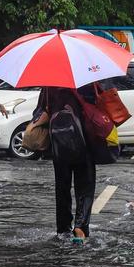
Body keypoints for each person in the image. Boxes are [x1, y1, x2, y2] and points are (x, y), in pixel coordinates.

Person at [33, 85, 97, 243]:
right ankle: (80, 226)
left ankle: (62, 228)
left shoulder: (49, 87)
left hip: (59, 144)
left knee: (62, 187)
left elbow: (40, 112)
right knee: (85, 186)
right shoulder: (86, 82)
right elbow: (96, 108)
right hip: (84, 142)